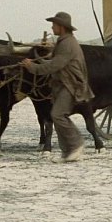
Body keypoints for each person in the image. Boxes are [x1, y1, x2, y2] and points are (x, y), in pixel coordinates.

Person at [21, 12, 94, 162]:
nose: (52, 27)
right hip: (63, 84)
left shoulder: (67, 44)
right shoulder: (64, 41)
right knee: (58, 115)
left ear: (62, 27)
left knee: (58, 115)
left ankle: (75, 143)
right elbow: (55, 61)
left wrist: (32, 67)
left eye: (54, 24)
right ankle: (67, 152)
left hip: (71, 84)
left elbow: (54, 65)